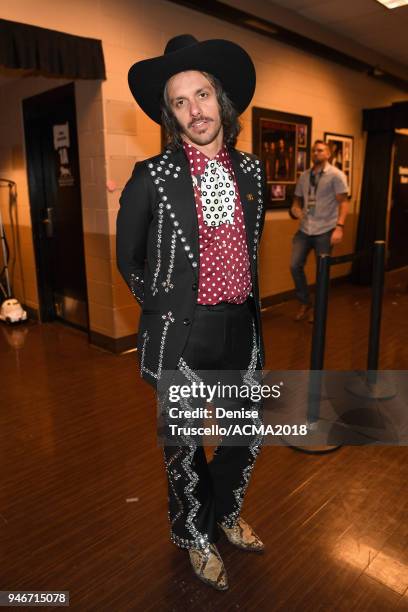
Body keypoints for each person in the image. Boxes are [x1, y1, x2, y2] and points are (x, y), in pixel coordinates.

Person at [116, 34, 267, 591]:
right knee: (183, 448)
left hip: (241, 328)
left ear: (221, 100)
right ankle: (196, 534)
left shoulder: (251, 174)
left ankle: (224, 511)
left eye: (201, 95)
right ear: (171, 114)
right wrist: (163, 306)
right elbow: (126, 258)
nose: (194, 110)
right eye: (180, 102)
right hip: (183, 332)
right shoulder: (150, 176)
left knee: (243, 433)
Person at [289, 140, 349, 322]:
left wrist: (339, 227)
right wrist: (295, 209)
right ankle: (305, 302)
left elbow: (344, 203)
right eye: (314, 151)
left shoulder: (336, 175)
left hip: (325, 230)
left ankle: (319, 308)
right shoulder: (304, 176)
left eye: (321, 150)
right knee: (294, 265)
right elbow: (296, 202)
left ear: (328, 154)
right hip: (305, 229)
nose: (316, 153)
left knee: (322, 271)